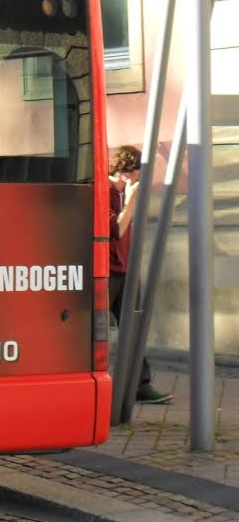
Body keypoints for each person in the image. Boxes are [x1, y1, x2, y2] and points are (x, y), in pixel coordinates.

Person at [109, 145, 172, 404]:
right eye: (138, 174)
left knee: (133, 327)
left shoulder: (123, 192)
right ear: (127, 172)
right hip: (107, 271)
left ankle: (139, 385)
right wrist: (132, 200)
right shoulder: (106, 191)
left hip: (125, 269)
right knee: (94, 331)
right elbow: (116, 230)